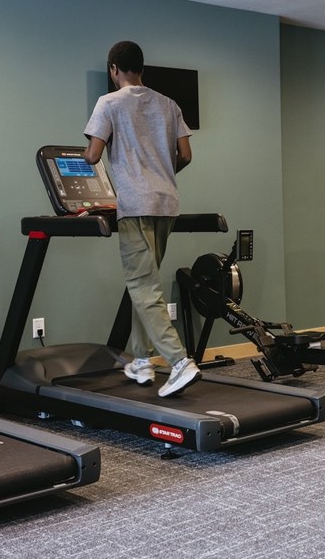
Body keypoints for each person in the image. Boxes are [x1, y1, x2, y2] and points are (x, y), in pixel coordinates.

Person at [83, 40, 200, 397]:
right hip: (167, 202)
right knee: (145, 284)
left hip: (134, 204)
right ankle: (141, 359)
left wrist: (88, 153)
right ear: (141, 69)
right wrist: (160, 174)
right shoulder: (168, 104)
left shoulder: (109, 102)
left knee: (143, 285)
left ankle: (179, 362)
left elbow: (93, 155)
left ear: (113, 69)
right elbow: (186, 154)